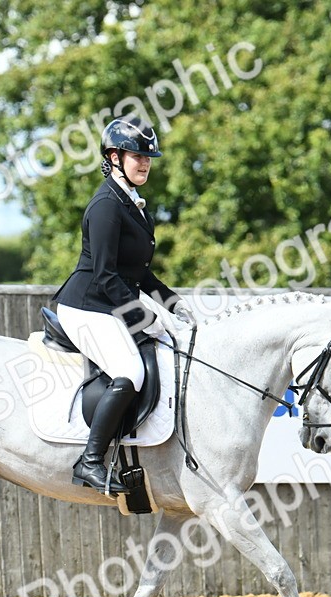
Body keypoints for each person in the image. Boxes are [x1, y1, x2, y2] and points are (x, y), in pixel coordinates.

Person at [52, 115, 193, 494]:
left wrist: (175, 305)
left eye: (148, 158)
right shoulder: (106, 206)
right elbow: (105, 275)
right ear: (114, 157)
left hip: (110, 302)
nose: (145, 163)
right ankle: (90, 461)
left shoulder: (135, 205)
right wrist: (145, 317)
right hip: (86, 306)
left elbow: (141, 274)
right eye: (137, 156)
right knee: (130, 370)